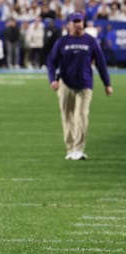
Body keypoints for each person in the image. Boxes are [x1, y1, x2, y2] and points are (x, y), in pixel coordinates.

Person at [47, 12, 113, 161]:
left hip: (85, 84)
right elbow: (51, 61)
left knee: (81, 116)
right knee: (67, 117)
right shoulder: (62, 42)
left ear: (83, 23)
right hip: (65, 83)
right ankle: (70, 148)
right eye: (74, 21)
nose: (77, 24)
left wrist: (107, 84)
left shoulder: (91, 41)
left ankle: (79, 149)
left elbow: (101, 63)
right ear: (69, 24)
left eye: (80, 21)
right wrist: (52, 79)